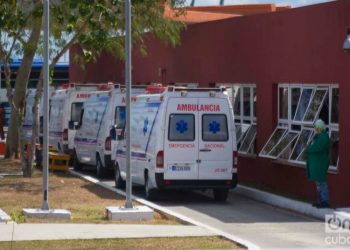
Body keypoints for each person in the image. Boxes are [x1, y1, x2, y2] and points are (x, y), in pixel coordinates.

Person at [306, 119, 331, 208]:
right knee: (318, 183)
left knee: (321, 182)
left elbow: (315, 148)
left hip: (320, 164)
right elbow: (311, 146)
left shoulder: (323, 137)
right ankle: (320, 201)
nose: (314, 129)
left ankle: (325, 201)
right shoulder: (317, 136)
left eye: (315, 127)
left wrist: (308, 148)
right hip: (316, 164)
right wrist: (309, 147)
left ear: (319, 128)